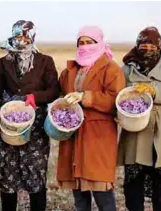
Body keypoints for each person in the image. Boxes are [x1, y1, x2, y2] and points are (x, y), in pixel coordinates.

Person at [0, 20, 60, 211]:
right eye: (17, 36)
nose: (21, 40)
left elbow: (54, 90)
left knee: (35, 175)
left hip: (34, 125)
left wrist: (35, 96)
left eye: (25, 36)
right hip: (9, 122)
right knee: (8, 175)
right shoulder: (4, 62)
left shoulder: (45, 61)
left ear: (32, 37)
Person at [57, 26, 126, 211]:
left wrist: (86, 97)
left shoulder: (111, 69)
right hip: (74, 135)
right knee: (79, 194)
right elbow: (59, 93)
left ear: (100, 43)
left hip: (97, 137)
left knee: (102, 192)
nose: (85, 46)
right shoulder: (70, 70)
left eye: (90, 42)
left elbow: (116, 100)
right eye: (81, 43)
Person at [117, 26, 161, 211]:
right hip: (136, 135)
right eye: (143, 45)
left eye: (152, 46)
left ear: (159, 47)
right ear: (137, 45)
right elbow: (119, 96)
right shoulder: (127, 70)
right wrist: (119, 114)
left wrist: (154, 91)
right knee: (133, 192)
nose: (147, 49)